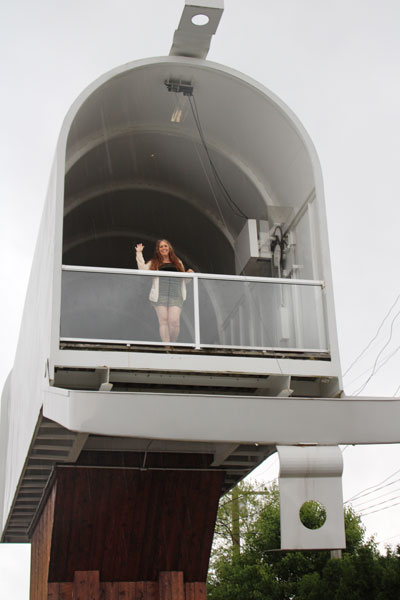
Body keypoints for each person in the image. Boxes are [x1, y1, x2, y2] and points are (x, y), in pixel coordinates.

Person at [135, 240, 193, 344]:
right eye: (161, 247)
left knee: (174, 322)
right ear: (158, 250)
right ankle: (167, 347)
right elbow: (142, 269)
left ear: (169, 248)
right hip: (160, 295)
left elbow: (184, 280)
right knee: (164, 322)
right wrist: (139, 253)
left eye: (165, 246)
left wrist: (189, 274)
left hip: (176, 295)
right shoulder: (154, 262)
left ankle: (173, 343)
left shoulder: (177, 262)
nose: (163, 248)